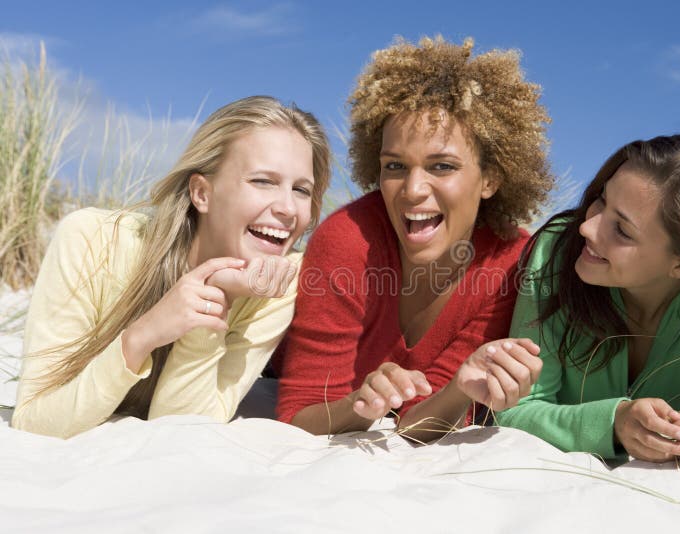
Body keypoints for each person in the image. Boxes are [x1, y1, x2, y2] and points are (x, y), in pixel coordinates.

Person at [275, 37, 552, 441]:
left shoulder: (510, 262)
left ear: (490, 178)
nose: (413, 189)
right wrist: (361, 405)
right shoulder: (347, 240)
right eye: (395, 166)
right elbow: (297, 418)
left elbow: (416, 423)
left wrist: (460, 389)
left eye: (441, 166)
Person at [12, 95, 331, 438]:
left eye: (301, 189)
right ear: (202, 193)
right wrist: (141, 337)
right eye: (262, 181)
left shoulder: (282, 280)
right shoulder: (90, 240)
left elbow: (181, 429)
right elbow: (34, 423)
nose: (288, 208)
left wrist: (214, 300)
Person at [496, 133, 680, 478]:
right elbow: (513, 411)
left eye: (622, 231)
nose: (586, 227)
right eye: (600, 200)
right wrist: (615, 423)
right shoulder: (556, 251)